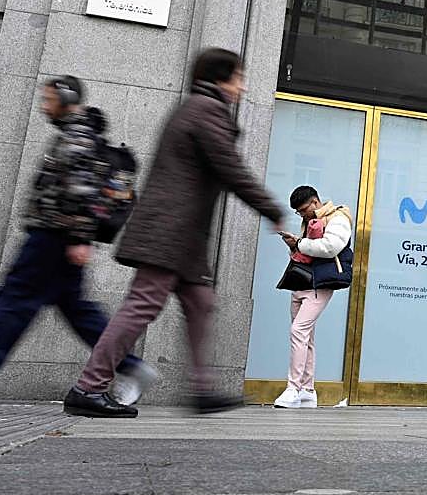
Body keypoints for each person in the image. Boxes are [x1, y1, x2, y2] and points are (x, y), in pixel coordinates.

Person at [63, 48, 286, 417]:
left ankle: (202, 389)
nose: (243, 87)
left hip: (183, 237)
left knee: (201, 303)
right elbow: (231, 168)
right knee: (142, 305)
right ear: (221, 79)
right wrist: (271, 208)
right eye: (239, 78)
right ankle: (88, 386)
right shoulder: (206, 109)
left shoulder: (198, 107)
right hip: (169, 231)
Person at [0, 77, 155, 406]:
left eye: (49, 99)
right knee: (77, 311)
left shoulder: (77, 136)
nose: (44, 106)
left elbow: (80, 190)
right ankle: (130, 365)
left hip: (52, 238)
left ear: (67, 99)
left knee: (12, 305)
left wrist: (79, 237)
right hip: (58, 238)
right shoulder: (78, 133)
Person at [273, 185, 353, 410]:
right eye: (298, 212)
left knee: (298, 331)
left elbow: (330, 247)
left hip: (321, 284)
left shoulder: (338, 217)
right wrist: (294, 246)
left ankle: (293, 389)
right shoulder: (311, 221)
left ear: (315, 202)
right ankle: (307, 391)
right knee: (305, 337)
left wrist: (300, 243)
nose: (301, 215)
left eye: (302, 210)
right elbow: (306, 253)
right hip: (302, 283)